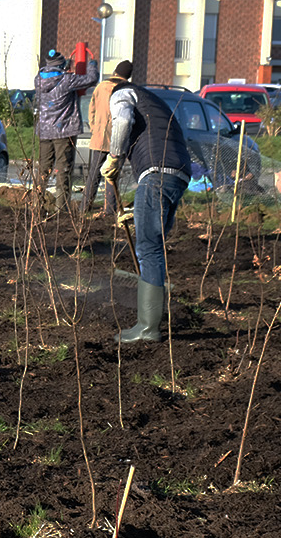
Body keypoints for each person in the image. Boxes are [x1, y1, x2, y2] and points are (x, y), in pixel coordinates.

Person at [101, 80, 191, 342]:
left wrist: (114, 156)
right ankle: (149, 324)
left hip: (157, 174)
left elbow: (123, 122)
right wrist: (136, 213)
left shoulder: (122, 94)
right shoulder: (155, 104)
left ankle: (147, 328)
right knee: (154, 242)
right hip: (179, 175)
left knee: (148, 249)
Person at [33, 48, 98, 216]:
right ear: (61, 65)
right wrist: (92, 64)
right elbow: (91, 79)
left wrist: (65, 65)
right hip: (64, 131)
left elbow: (55, 73)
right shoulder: (66, 80)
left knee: (43, 170)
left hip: (44, 131)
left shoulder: (38, 80)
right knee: (63, 169)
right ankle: (60, 209)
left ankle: (37, 206)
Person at [81, 60, 132, 216]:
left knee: (93, 174)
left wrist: (95, 128)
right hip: (118, 139)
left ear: (115, 71)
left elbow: (92, 110)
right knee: (112, 174)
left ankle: (84, 208)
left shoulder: (101, 87)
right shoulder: (126, 89)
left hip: (99, 137)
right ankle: (109, 209)